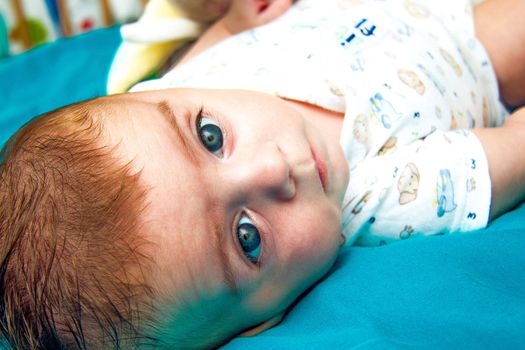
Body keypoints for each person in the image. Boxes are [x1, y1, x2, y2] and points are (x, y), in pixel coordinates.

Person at [1, 0, 525, 348]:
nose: (274, 167)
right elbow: (514, 149)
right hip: (473, 43)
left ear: (155, 92)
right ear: (259, 321)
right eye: (247, 237)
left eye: (212, 138)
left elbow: (201, 26)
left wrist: (233, 18)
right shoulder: (389, 202)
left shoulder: (193, 81)